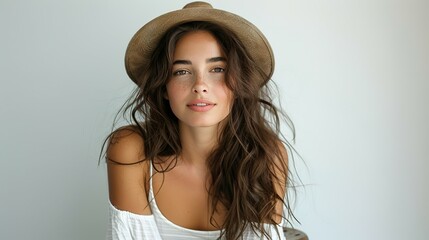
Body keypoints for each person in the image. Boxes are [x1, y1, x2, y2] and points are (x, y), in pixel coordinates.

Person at [103, 2, 297, 239]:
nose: (200, 86)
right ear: (164, 87)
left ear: (239, 83)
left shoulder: (265, 157)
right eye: (182, 71)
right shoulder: (131, 151)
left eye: (218, 69)